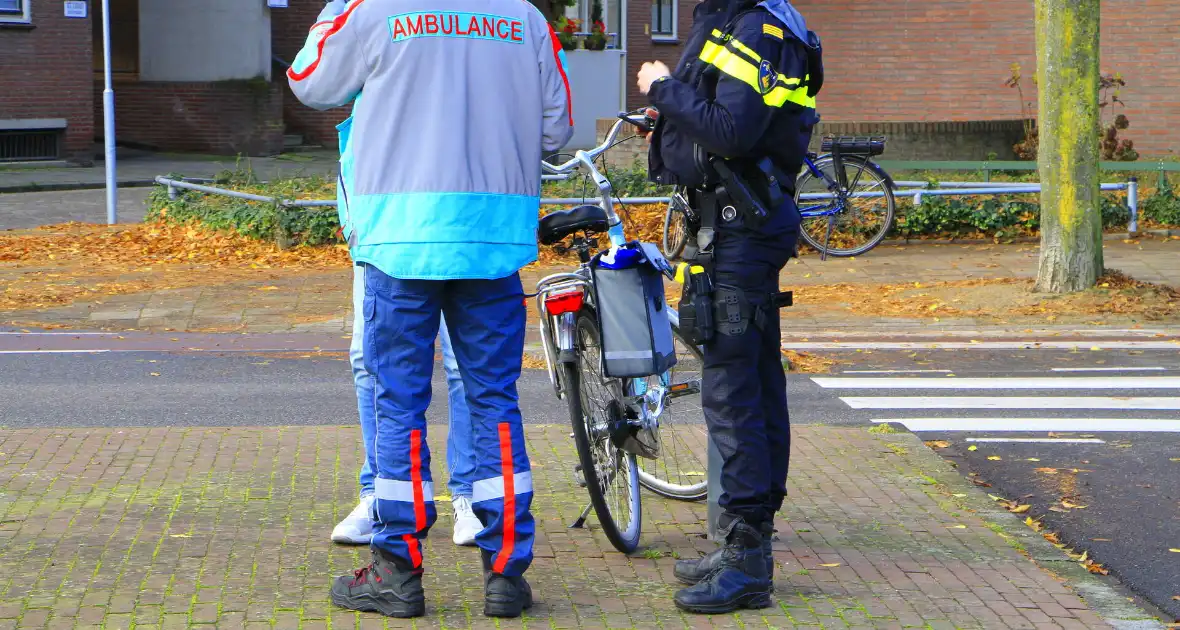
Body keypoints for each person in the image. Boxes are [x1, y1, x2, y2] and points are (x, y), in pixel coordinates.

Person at [288, 0, 573, 619]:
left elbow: (308, 81)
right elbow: (556, 131)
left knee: (399, 403)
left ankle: (397, 570)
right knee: (495, 398)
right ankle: (504, 572)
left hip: (402, 240)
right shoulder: (522, 18)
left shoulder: (372, 11)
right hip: (494, 240)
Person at [635, 0, 821, 615]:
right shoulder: (759, 21)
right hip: (746, 224)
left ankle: (746, 561)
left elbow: (733, 129)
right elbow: (734, 123)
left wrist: (663, 89)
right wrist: (667, 121)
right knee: (755, 377)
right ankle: (749, 541)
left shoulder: (752, 26)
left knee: (733, 387)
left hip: (742, 230)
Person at [330, 275, 484, 547]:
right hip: (384, 243)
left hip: (459, 242)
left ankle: (468, 495)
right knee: (369, 362)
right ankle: (378, 493)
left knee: (463, 366)